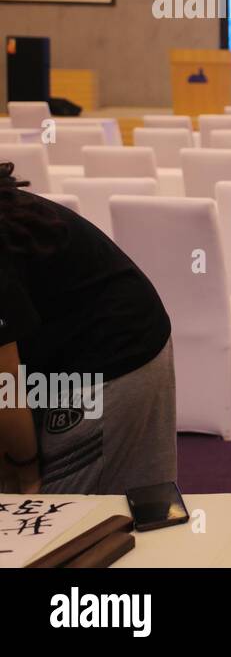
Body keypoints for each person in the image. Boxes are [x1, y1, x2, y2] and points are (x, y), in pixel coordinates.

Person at [0, 162, 176, 494]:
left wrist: (25, 468)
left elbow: (3, 380)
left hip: (110, 351)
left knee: (62, 520)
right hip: (64, 348)